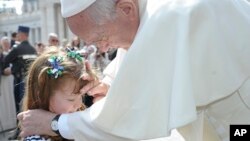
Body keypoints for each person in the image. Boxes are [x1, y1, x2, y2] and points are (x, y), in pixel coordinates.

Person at [18, 0, 250, 141]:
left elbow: (125, 123)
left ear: (126, 8)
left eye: (102, 38)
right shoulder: (145, 14)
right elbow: (134, 59)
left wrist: (56, 123)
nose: (102, 48)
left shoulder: (170, 17)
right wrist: (109, 84)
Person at [21, 47, 95, 141]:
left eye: (82, 96)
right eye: (71, 99)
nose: (79, 104)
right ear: (43, 95)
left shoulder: (78, 124)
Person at [4, 26, 37, 114]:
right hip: (32, 82)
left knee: (20, 106)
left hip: (20, 81)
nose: (17, 35)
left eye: (18, 33)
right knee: (30, 105)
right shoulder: (33, 49)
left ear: (22, 34)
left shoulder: (17, 49)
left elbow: (5, 60)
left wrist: (12, 69)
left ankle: (20, 126)